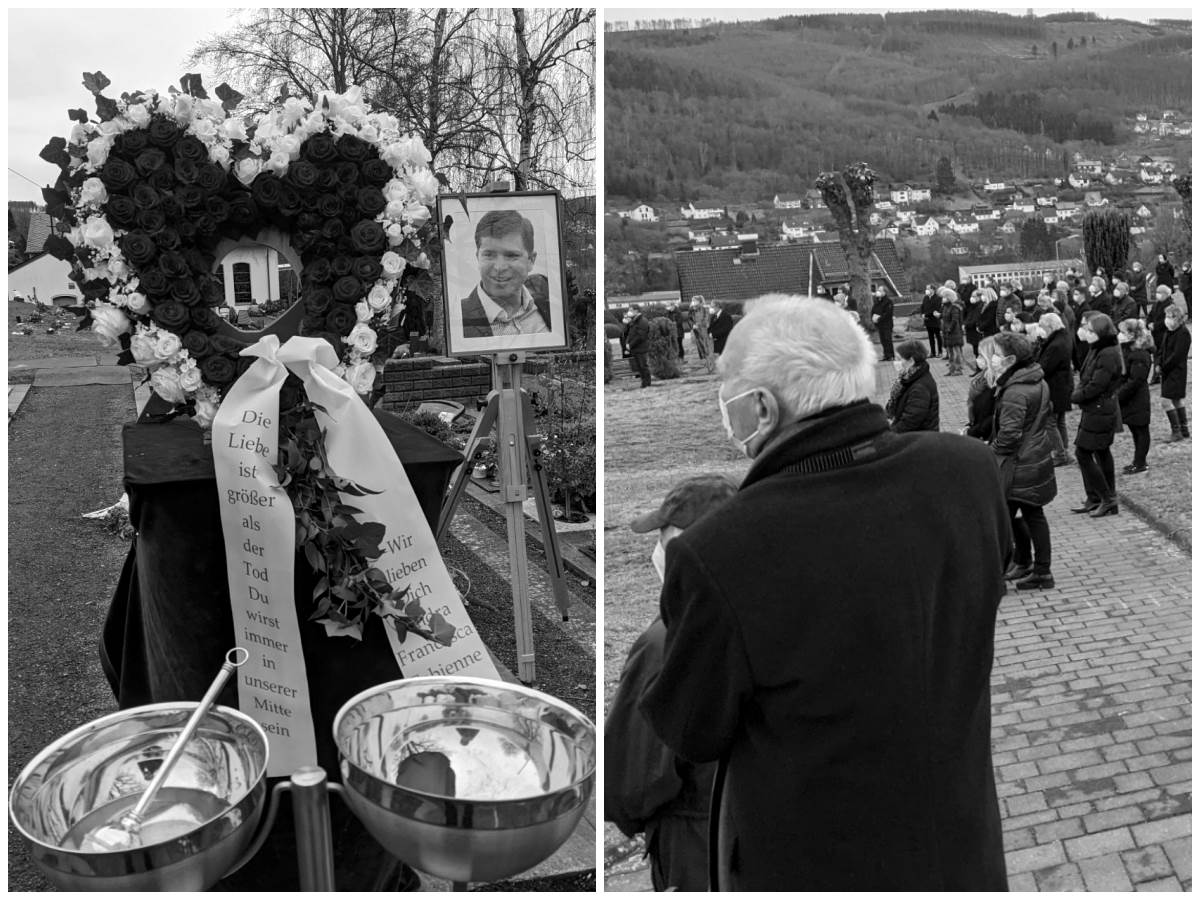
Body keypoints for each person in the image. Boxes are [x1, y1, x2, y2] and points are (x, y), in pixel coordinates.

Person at [641, 295, 1010, 891]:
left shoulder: (718, 552)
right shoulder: (968, 471)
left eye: (724, 388)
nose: (721, 405)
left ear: (759, 407)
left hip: (817, 859)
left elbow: (692, 729)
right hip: (962, 844)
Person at [605, 474, 739, 892]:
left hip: (699, 846)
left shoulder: (667, 642)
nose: (655, 553)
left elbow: (632, 776)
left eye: (662, 539)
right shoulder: (781, 615)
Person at [987, 331, 1057, 590]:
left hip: (1018, 464)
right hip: (1032, 457)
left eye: (996, 354)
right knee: (1028, 514)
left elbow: (1009, 436)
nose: (993, 359)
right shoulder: (1036, 380)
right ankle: (1028, 563)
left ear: (1010, 359)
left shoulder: (1015, 391)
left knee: (1004, 520)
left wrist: (989, 452)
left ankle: (1034, 570)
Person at [458, 210, 551, 338]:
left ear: (531, 260)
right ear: (477, 257)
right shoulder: (457, 318)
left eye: (511, 256)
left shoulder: (549, 307)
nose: (499, 267)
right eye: (489, 255)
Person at [1071, 312, 1123, 517]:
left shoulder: (1108, 353)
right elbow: (1087, 377)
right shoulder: (1097, 349)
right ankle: (1097, 497)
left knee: (1083, 453)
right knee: (1101, 452)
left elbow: (1097, 384)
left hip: (1100, 408)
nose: (1087, 333)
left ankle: (1107, 498)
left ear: (1101, 332)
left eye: (1091, 331)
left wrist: (1076, 396)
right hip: (1094, 408)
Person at [1034, 313, 1074, 467]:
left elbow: (1045, 366)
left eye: (1042, 327)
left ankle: (1060, 453)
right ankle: (1064, 450)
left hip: (1055, 387)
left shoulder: (1056, 344)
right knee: (1059, 421)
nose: (1040, 330)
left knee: (1050, 422)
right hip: (1062, 386)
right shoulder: (1061, 338)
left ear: (1050, 327)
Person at [1116, 318, 1153, 473]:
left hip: (1136, 398)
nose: (1120, 335)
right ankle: (1137, 461)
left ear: (1131, 334)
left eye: (1123, 332)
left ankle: (1140, 462)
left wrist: (1119, 395)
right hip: (1130, 397)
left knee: (1141, 430)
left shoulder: (1139, 354)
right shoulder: (1129, 349)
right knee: (1135, 430)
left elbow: (1136, 380)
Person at [886, 340, 939, 432]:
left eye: (899, 359)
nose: (896, 362)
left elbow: (911, 421)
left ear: (911, 361)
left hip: (920, 439)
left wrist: (890, 434)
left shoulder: (919, 387)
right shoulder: (907, 379)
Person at [1158, 305, 1191, 442]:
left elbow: (1177, 355)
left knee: (1166, 400)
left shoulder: (1183, 333)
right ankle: (1184, 429)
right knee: (1176, 400)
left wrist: (1164, 367)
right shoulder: (1169, 332)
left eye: (1170, 317)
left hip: (1176, 371)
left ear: (1177, 318)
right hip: (1167, 370)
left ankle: (1176, 430)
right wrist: (1159, 363)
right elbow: (1162, 350)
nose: (1167, 320)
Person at [1147, 284, 1175, 384]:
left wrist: (1155, 325)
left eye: (1160, 293)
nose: (1157, 295)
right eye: (1157, 292)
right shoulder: (1156, 304)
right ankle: (1156, 376)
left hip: (1164, 334)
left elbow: (1167, 320)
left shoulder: (1170, 305)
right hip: (1155, 334)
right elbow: (1150, 315)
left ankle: (1160, 376)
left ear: (1166, 294)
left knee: (1163, 356)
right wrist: (1148, 323)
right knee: (1156, 355)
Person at [625, 305, 652, 389]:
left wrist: (631, 344)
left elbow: (641, 336)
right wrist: (628, 343)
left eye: (631, 310)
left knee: (643, 366)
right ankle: (644, 382)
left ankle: (647, 382)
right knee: (639, 367)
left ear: (636, 311)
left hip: (641, 347)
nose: (629, 312)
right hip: (636, 348)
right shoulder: (634, 321)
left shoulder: (642, 321)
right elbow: (630, 333)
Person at [940, 286, 964, 375]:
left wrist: (949, 328)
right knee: (950, 352)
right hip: (947, 332)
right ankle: (951, 369)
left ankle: (958, 369)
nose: (943, 299)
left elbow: (955, 319)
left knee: (956, 351)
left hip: (954, 332)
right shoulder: (945, 307)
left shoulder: (954, 307)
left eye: (944, 297)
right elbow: (944, 318)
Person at [871, 285, 894, 361]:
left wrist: (879, 318)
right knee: (883, 340)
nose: (878, 292)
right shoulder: (877, 301)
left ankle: (891, 355)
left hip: (887, 324)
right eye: (878, 290)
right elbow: (873, 310)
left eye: (880, 290)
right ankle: (886, 355)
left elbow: (888, 313)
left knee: (888, 340)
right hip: (879, 324)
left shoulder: (888, 301)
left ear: (884, 292)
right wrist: (873, 317)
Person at [920, 284, 943, 358]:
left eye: (928, 288)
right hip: (927, 321)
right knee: (930, 337)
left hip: (935, 320)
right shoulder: (925, 297)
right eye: (926, 288)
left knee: (938, 337)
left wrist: (926, 314)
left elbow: (935, 309)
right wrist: (922, 313)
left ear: (933, 290)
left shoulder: (938, 298)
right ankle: (933, 352)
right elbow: (922, 306)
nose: (926, 290)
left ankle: (940, 352)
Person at [689, 296, 712, 364]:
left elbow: (706, 318)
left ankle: (708, 357)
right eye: (693, 301)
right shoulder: (692, 309)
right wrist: (693, 325)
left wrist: (699, 324)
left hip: (703, 328)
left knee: (705, 342)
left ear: (700, 301)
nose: (693, 302)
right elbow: (689, 319)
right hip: (695, 329)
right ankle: (703, 358)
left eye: (695, 301)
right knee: (699, 343)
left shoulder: (705, 309)